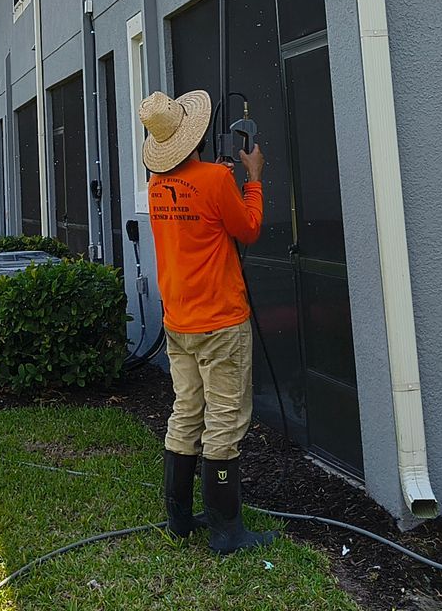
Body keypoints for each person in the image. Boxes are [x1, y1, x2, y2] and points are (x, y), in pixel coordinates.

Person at [139, 88, 274, 555]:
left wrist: (220, 177)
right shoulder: (217, 180)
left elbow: (193, 212)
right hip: (220, 321)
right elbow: (248, 229)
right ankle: (226, 530)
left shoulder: (157, 187)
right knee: (224, 421)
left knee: (186, 412)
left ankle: (178, 519)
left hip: (179, 322)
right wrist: (252, 179)